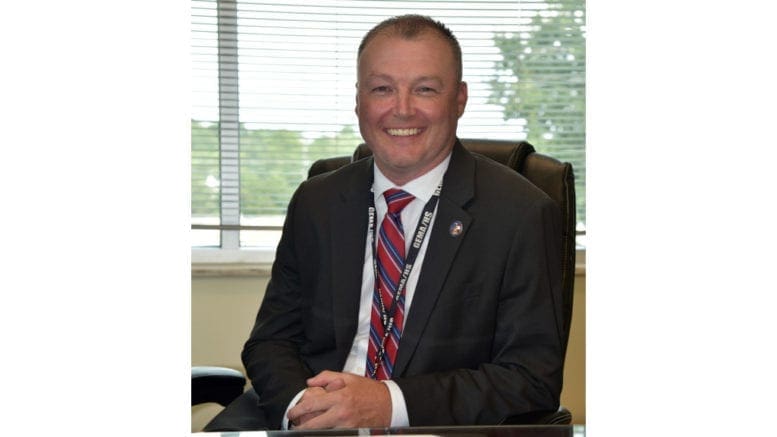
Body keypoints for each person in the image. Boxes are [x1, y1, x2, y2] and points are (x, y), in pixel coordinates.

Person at [204, 14, 564, 431]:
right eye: (382, 89)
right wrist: (299, 404)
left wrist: (388, 404)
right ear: (359, 100)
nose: (402, 108)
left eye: (425, 88)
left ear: (459, 99)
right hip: (307, 418)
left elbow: (531, 379)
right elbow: (271, 340)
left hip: (432, 424)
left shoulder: (521, 213)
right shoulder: (316, 202)